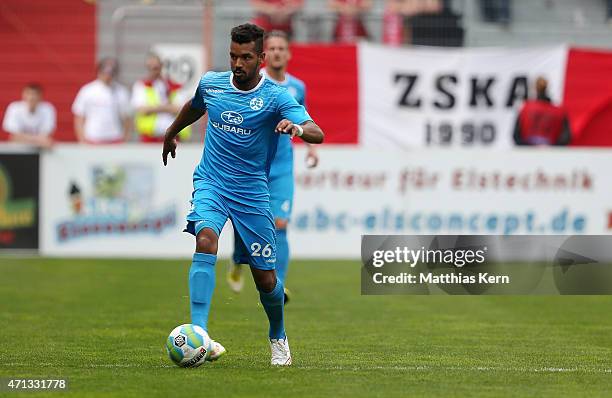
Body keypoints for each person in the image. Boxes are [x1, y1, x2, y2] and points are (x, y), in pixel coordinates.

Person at [162, 23, 324, 366]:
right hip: (212, 182)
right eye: (234, 56)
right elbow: (195, 106)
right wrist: (172, 131)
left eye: (246, 57)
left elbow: (316, 132)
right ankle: (200, 333)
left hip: (251, 192)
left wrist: (295, 128)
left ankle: (278, 334)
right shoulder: (212, 83)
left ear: (261, 58)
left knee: (265, 278)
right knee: (206, 239)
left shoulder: (278, 96)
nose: (238, 63)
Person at [226, 30, 319, 304]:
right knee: (248, 222)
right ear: (266, 55)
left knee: (280, 223)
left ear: (288, 54)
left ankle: (278, 284)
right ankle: (236, 259)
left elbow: (305, 119)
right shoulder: (256, 83)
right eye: (273, 48)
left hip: (282, 166)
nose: (278, 52)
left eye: (282, 48)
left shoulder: (297, 87)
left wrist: (311, 149)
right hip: (254, 165)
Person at [132, 53, 191, 143]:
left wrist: (154, 108)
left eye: (155, 68)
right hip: (150, 137)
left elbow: (183, 109)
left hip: (174, 137)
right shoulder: (141, 86)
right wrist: (167, 108)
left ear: (161, 66)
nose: (153, 71)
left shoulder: (175, 86)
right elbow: (142, 110)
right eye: (149, 68)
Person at [72, 57, 131, 144]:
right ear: (99, 71)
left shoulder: (121, 92)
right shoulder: (87, 90)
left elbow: (127, 118)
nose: (108, 75)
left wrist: (125, 139)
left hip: (115, 139)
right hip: (92, 139)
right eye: (105, 72)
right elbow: (79, 117)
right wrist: (82, 139)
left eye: (111, 73)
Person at [514, 77, 571, 146]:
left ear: (535, 89)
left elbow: (516, 136)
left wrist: (529, 146)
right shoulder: (560, 111)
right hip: (551, 153)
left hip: (528, 153)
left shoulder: (525, 109)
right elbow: (566, 137)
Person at [2, 83, 56, 148]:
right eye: (29, 94)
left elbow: (46, 135)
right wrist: (39, 140)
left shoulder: (48, 109)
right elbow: (14, 136)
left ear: (40, 96)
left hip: (40, 151)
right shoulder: (14, 108)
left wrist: (22, 138)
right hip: (17, 149)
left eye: (35, 94)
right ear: (23, 95)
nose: (32, 97)